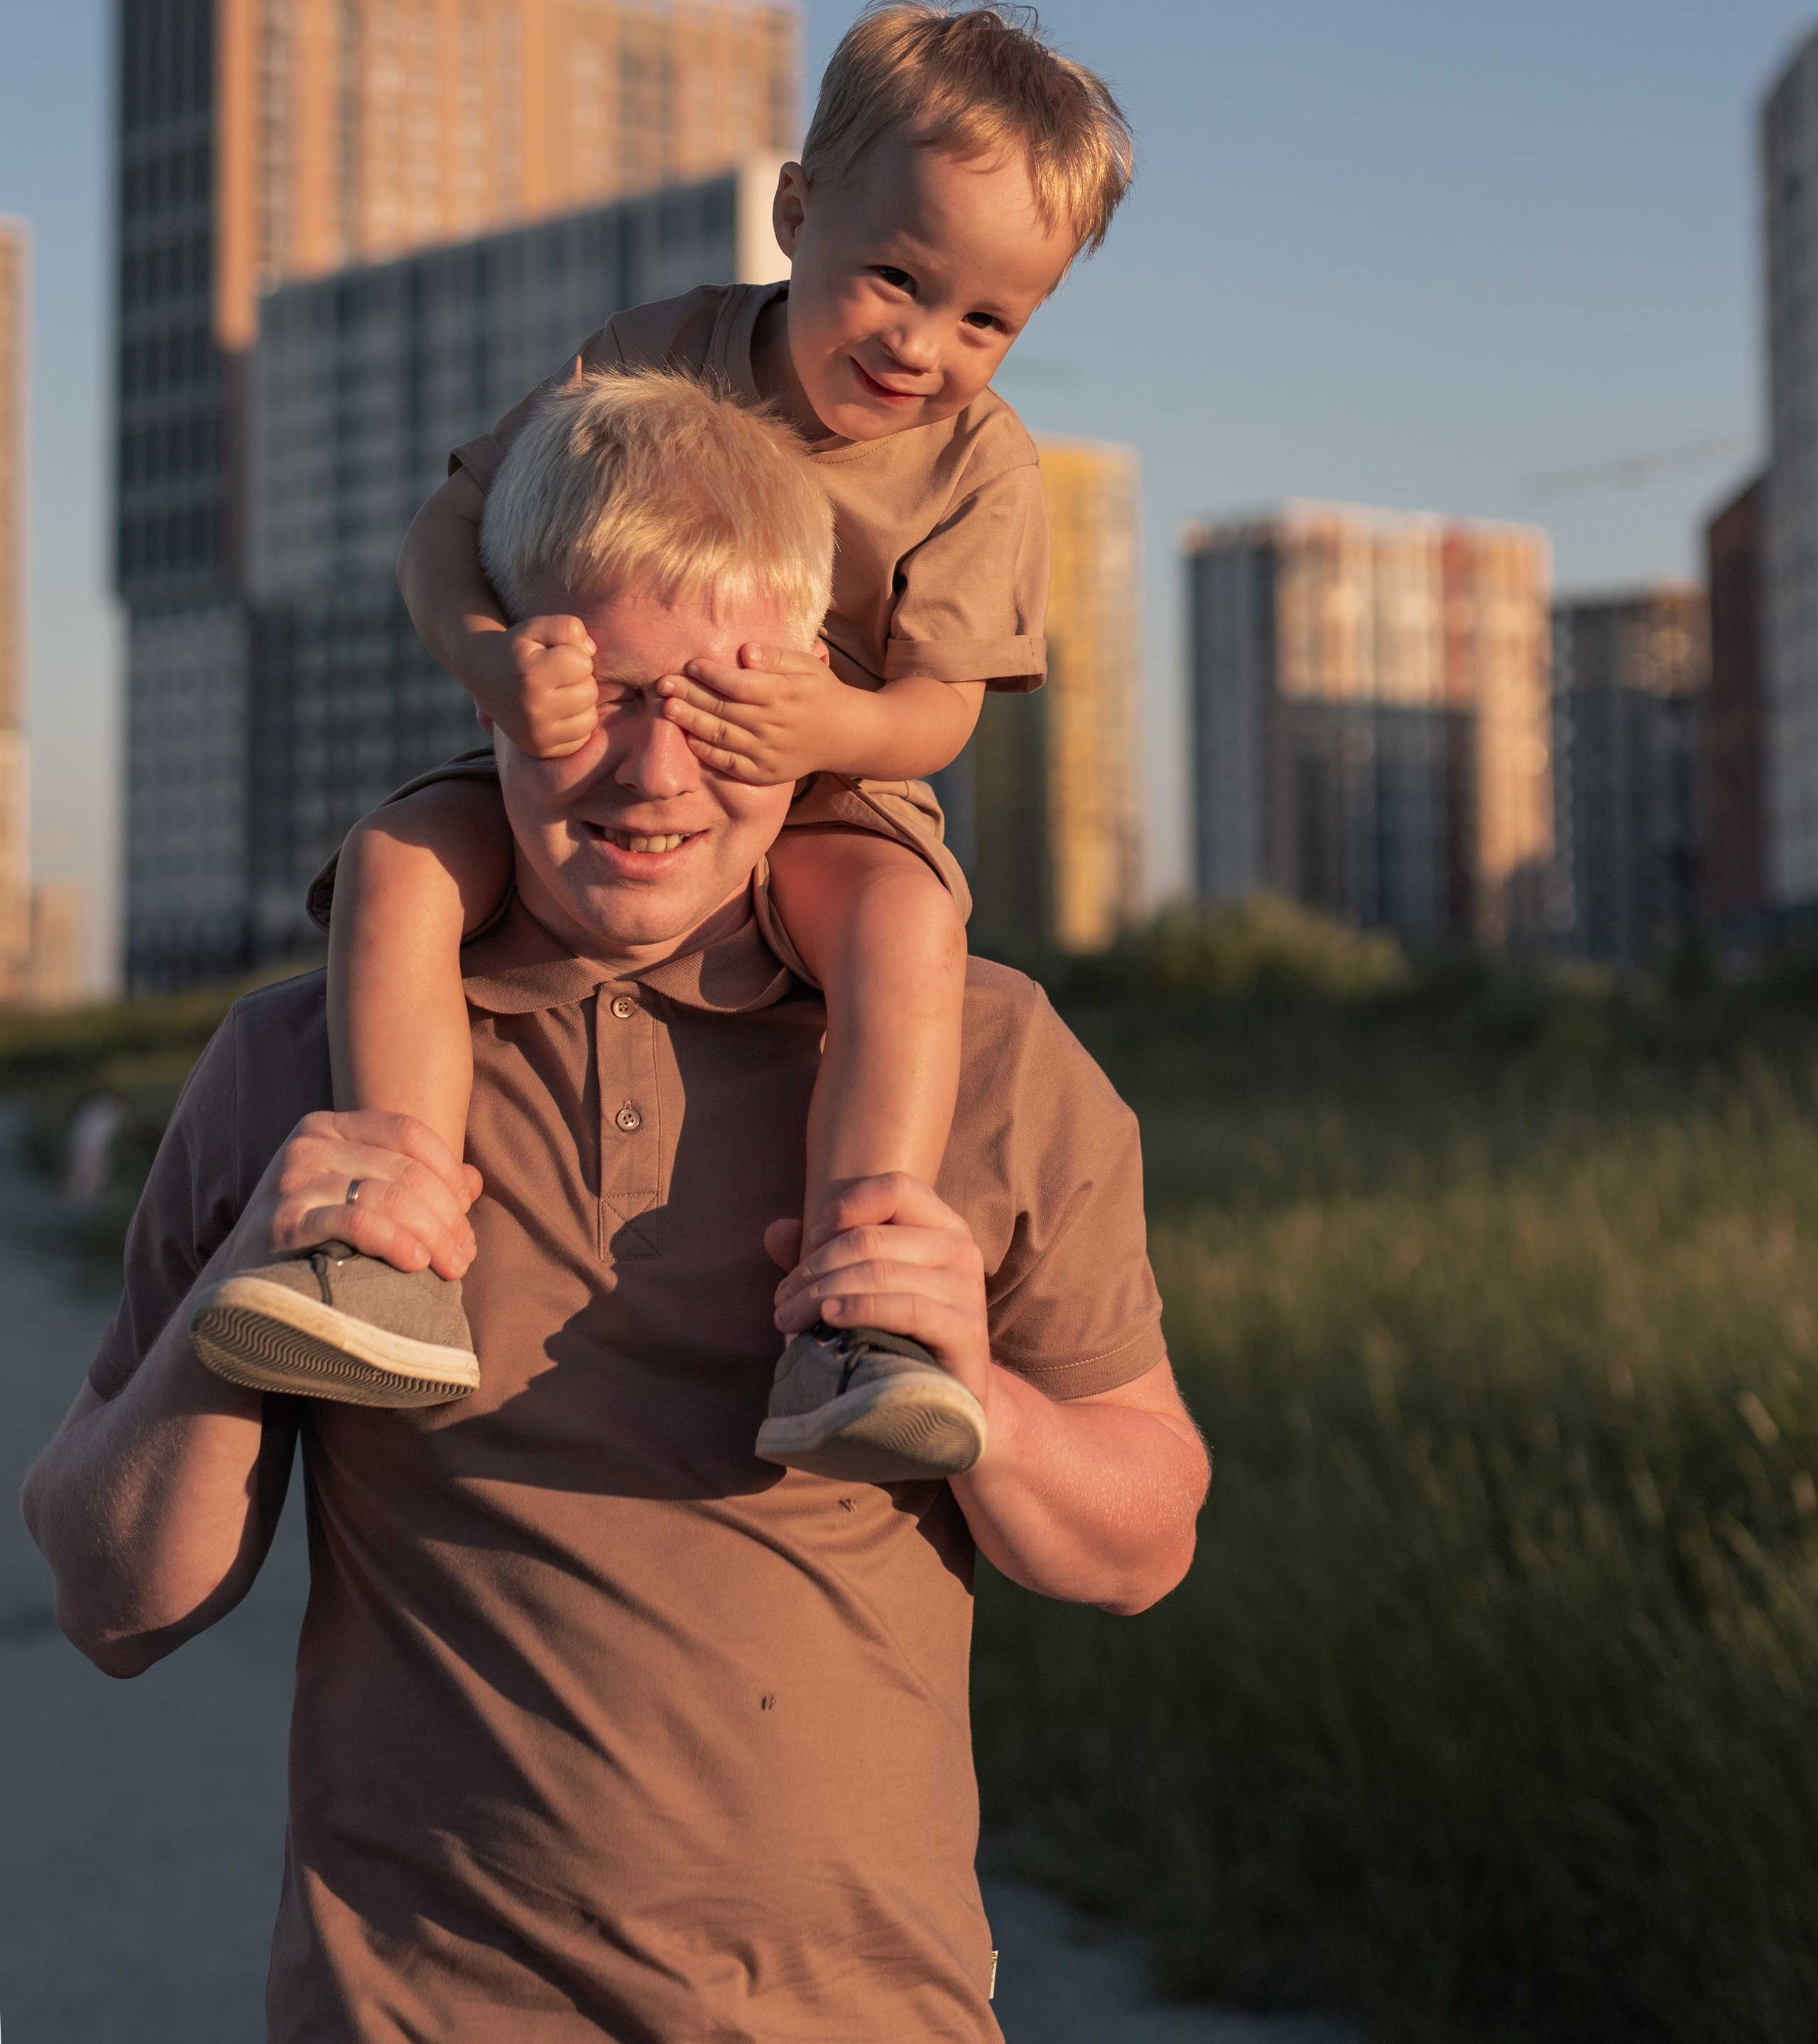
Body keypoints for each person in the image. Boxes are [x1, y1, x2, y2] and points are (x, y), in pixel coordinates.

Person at [23, 368, 1207, 2043]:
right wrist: (238, 1312)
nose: (657, 771)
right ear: (492, 667)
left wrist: (987, 1408)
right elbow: (110, 1600)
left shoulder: (987, 1055)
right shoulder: (303, 1056)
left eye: (724, 702)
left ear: (809, 694)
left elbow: (1145, 1542)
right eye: (604, 691)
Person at [207, 0, 1135, 1485]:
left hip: (816, 787)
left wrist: (828, 721)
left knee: (900, 925)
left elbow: (939, 710)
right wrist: (496, 660)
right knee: (398, 861)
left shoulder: (981, 466)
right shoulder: (662, 352)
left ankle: (861, 1303)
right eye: (895, 278)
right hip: (582, 733)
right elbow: (448, 528)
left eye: (986, 322)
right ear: (794, 210)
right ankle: (389, 1236)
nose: (922, 344)